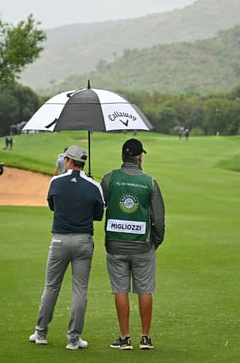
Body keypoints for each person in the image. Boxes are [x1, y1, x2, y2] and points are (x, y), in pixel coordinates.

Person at [29, 145, 105, 351]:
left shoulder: (56, 181)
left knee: (51, 287)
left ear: (70, 161)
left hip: (59, 241)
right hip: (83, 241)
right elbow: (98, 215)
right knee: (80, 289)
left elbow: (52, 205)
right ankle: (73, 339)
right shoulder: (94, 185)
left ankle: (41, 333)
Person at [101, 138, 165, 351]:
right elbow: (159, 218)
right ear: (139, 158)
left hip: (115, 245)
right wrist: (156, 241)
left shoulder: (109, 179)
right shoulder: (150, 181)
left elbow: (98, 207)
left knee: (120, 289)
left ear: (122, 157)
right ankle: (145, 338)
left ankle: (125, 337)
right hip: (142, 245)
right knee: (145, 290)